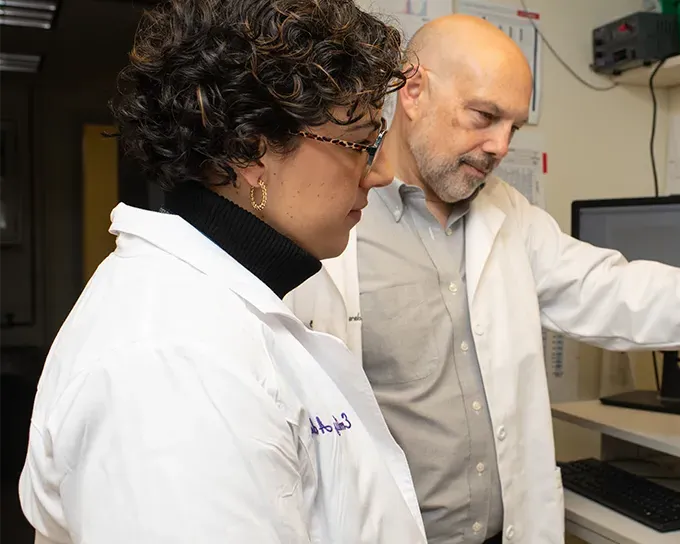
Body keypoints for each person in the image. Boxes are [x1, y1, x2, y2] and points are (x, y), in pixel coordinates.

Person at [284, 13, 680, 544]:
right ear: (412, 90)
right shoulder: (330, 221)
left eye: (514, 127)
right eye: (484, 116)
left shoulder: (507, 215)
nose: (499, 146)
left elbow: (610, 287)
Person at [19, 1, 428, 543]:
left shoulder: (216, 310)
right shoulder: (170, 361)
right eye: (360, 144)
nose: (380, 173)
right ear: (249, 148)